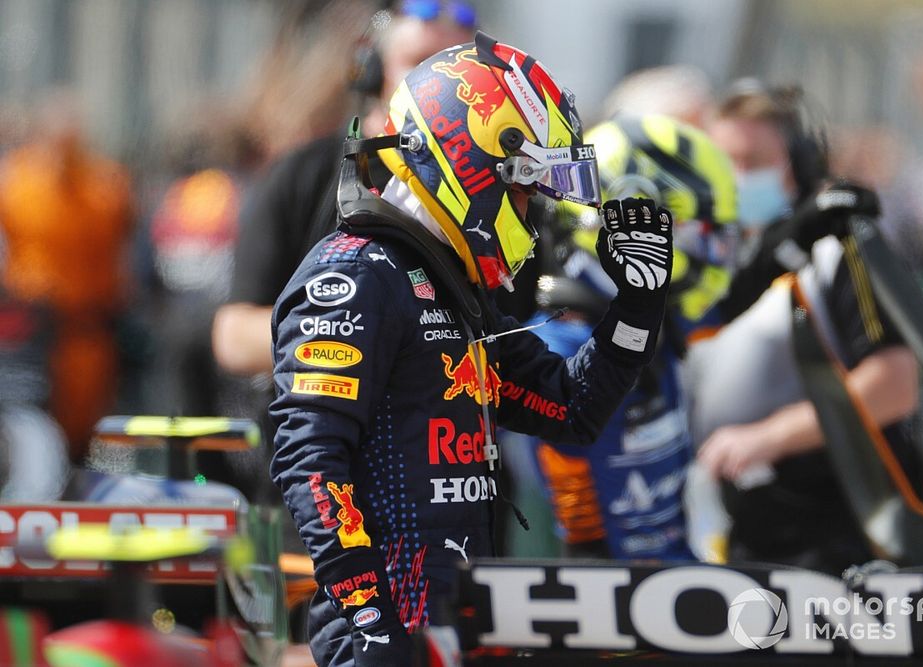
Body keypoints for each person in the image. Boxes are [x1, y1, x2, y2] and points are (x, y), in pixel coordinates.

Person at [270, 33, 675, 666]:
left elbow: (569, 410)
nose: (531, 209)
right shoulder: (356, 276)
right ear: (471, 161)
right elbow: (311, 463)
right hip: (385, 636)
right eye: (523, 189)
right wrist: (369, 617)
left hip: (461, 622)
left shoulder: (455, 288)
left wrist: (639, 307)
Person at [687, 81, 923, 574]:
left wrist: (768, 436)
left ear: (800, 162)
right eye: (722, 161)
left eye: (753, 161)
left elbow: (896, 385)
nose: (735, 177)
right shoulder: (710, 263)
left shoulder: (841, 248)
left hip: (846, 539)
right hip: (746, 535)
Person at [213, 1, 476, 377]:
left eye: (456, 71)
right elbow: (233, 337)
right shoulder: (302, 174)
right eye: (418, 63)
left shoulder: (506, 192)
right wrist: (355, 327)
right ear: (372, 71)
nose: (439, 89)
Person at [527, 115, 739, 560]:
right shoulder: (556, 348)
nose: (715, 253)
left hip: (675, 579)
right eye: (700, 233)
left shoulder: (664, 322)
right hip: (607, 603)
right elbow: (576, 526)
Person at [0, 94, 132, 461]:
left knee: (86, 429)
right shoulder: (16, 181)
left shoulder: (105, 186)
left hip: (88, 329)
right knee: (30, 430)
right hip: (29, 332)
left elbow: (124, 247)